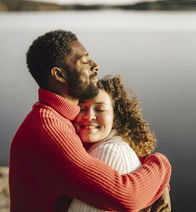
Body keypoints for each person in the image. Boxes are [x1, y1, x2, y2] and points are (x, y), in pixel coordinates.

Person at [9, 30, 171, 212]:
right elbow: (128, 197)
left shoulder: (58, 116)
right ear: (59, 75)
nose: (95, 66)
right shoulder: (48, 131)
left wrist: (143, 163)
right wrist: (160, 164)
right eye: (85, 61)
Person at [68, 75, 171, 211]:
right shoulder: (87, 149)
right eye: (81, 108)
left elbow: (131, 196)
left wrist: (162, 168)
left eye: (100, 109)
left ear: (115, 117)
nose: (89, 116)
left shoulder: (109, 152)